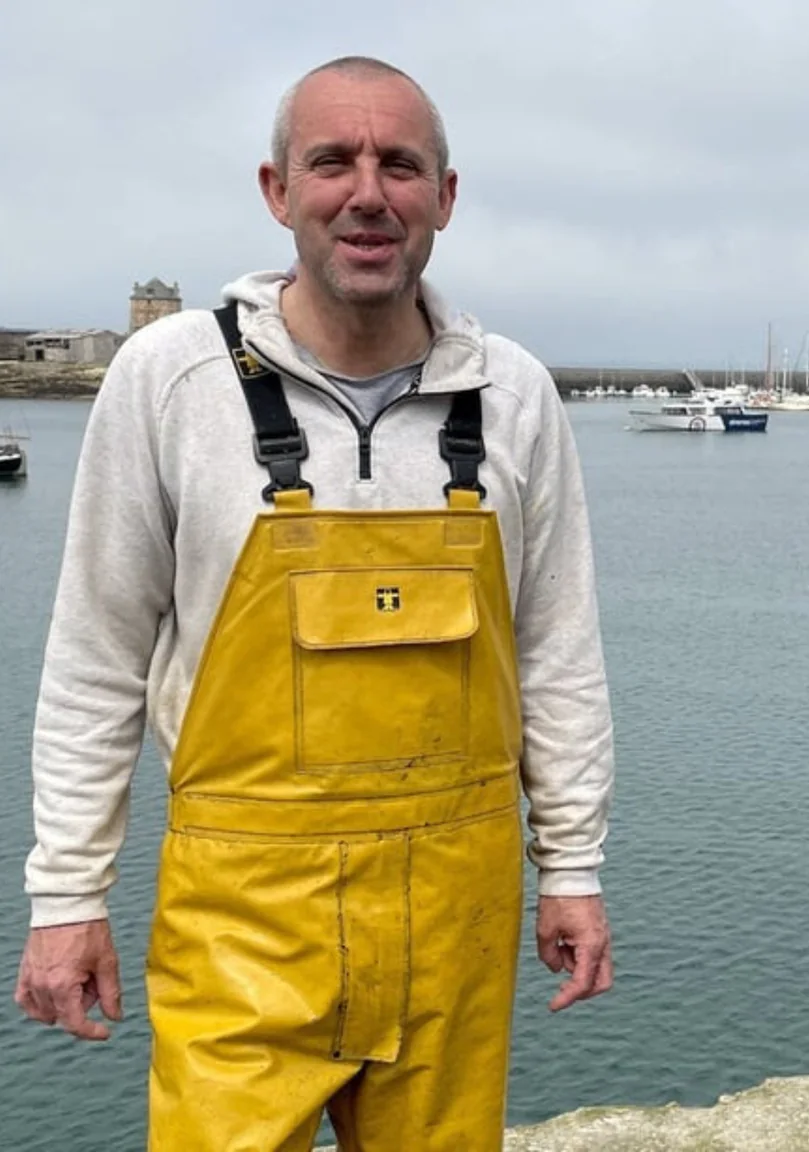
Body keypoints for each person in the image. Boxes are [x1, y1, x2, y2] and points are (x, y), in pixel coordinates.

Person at [12, 55, 615, 1151]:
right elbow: (96, 660)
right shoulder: (169, 380)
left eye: (401, 166)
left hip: (457, 919)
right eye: (332, 161)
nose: (367, 193)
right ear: (277, 190)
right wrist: (67, 898)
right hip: (241, 922)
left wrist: (569, 870)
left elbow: (557, 658)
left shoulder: (515, 395)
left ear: (445, 196)